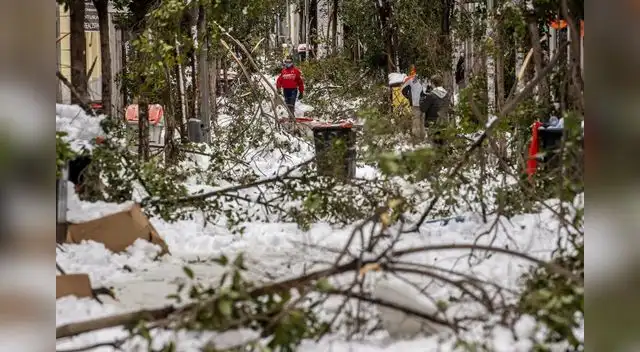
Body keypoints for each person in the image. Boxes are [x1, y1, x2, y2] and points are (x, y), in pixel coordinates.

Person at [420, 74, 449, 146]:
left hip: (432, 125)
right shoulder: (446, 94)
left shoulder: (431, 95)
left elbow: (423, 109)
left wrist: (422, 100)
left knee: (434, 147)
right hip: (443, 123)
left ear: (433, 83)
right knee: (443, 147)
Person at [401, 66, 426, 141]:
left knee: (416, 120)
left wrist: (408, 97)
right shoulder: (423, 79)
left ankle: (416, 138)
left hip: (416, 103)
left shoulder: (410, 79)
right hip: (424, 102)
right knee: (421, 120)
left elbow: (403, 90)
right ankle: (422, 137)